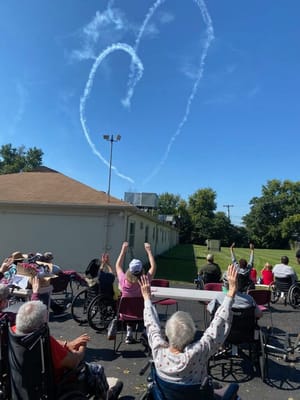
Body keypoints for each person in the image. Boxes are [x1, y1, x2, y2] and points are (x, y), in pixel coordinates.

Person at [138, 265, 238, 399]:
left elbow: (152, 326)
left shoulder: (158, 351)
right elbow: (217, 327)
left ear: (167, 333)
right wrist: (230, 294)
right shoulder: (197, 353)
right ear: (192, 336)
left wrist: (147, 299)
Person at [12, 300, 123, 399]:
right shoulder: (43, 343)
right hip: (52, 384)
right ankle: (106, 396)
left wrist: (67, 344)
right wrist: (82, 348)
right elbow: (74, 362)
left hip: (22, 383)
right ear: (41, 325)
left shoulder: (14, 333)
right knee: (97, 370)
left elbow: (53, 342)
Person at [115, 241, 156, 344]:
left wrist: (123, 250)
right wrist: (149, 251)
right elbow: (153, 266)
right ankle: (144, 332)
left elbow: (118, 266)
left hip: (125, 315)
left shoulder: (123, 280)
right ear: (142, 270)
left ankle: (129, 334)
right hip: (142, 315)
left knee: (131, 308)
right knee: (148, 307)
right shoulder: (145, 280)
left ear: (129, 270)